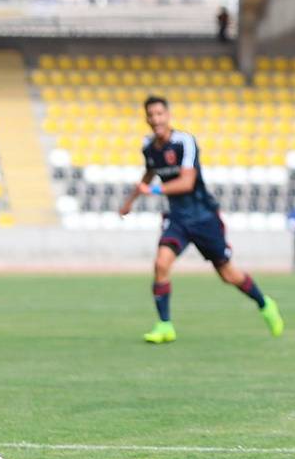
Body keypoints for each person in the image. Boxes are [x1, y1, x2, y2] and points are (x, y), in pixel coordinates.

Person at [119, 96, 284, 343]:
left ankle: (264, 303)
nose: (155, 120)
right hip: (177, 218)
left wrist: (152, 191)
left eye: (159, 114)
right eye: (150, 115)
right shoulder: (149, 147)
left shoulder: (184, 142)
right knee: (161, 264)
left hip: (203, 216)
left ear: (168, 115)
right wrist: (129, 201)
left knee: (229, 275)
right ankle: (165, 325)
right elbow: (149, 173)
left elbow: (187, 182)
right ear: (146, 118)